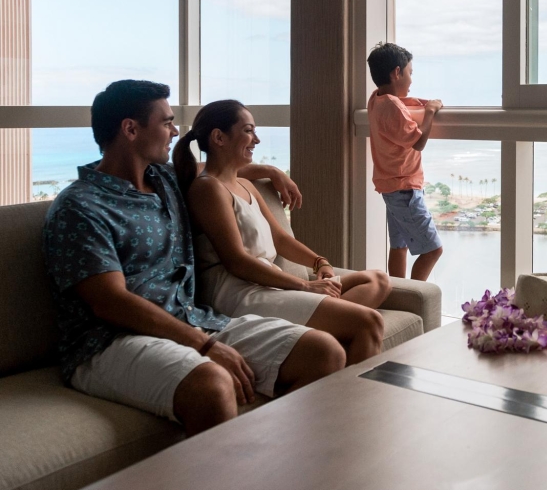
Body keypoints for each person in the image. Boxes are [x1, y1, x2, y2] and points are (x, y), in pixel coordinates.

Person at [43, 80, 346, 437]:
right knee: (213, 385)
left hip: (191, 318)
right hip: (110, 342)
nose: (174, 131)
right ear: (130, 129)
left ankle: (272, 462)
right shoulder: (81, 206)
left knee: (323, 351)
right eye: (166, 122)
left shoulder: (165, 181)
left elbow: (224, 171)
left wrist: (272, 171)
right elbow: (111, 303)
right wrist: (203, 344)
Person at [173, 99, 388, 366]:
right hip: (239, 294)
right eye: (249, 131)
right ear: (219, 137)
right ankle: (352, 396)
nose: (257, 140)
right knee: (368, 321)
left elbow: (281, 239)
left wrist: (321, 263)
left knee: (378, 280)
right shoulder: (208, 189)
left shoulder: (245, 185)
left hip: (269, 283)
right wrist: (305, 285)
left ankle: (321, 334)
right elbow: (236, 261)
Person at [366, 42, 444, 281]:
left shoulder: (376, 98)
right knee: (433, 249)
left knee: (399, 247)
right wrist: (429, 112)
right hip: (404, 189)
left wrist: (422, 102)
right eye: (409, 73)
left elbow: (400, 102)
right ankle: (415, 296)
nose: (411, 81)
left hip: (390, 187)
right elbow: (418, 142)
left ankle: (397, 293)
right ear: (396, 73)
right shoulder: (392, 107)